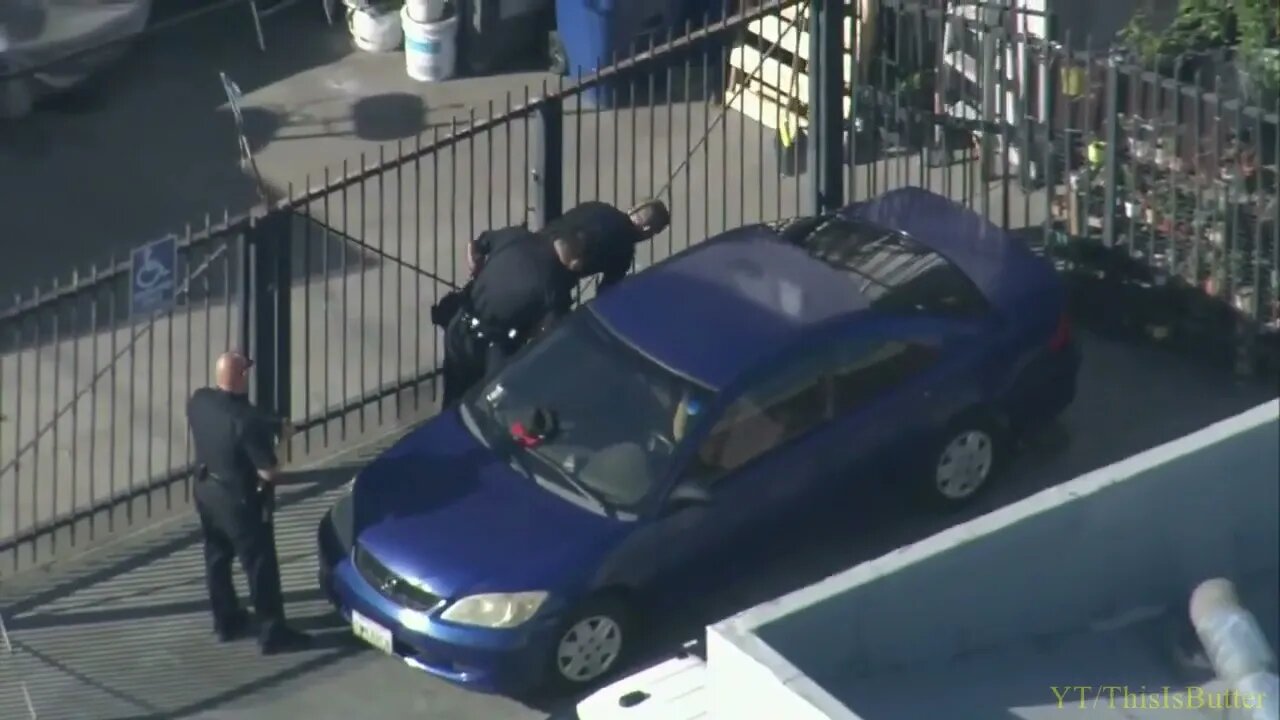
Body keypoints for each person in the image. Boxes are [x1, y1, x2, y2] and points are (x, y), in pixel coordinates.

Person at [187, 351, 311, 655]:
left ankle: (225, 620)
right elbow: (269, 471)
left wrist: (268, 423)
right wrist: (282, 441)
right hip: (239, 503)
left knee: (217, 557)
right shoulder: (247, 423)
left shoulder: (199, 401)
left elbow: (238, 415)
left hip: (206, 490)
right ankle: (272, 631)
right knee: (260, 566)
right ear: (242, 377)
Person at [440, 226, 583, 405]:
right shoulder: (553, 289)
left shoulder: (517, 236)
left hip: (459, 327)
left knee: (452, 398)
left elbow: (476, 246)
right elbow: (547, 335)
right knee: (490, 403)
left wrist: (477, 270)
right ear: (574, 264)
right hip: (489, 347)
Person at [467, 199, 671, 292]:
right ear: (647, 230)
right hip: (550, 280)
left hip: (527, 246)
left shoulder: (598, 206)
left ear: (633, 208)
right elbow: (606, 293)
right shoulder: (624, 251)